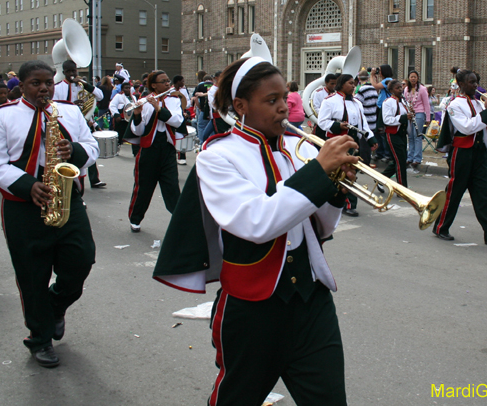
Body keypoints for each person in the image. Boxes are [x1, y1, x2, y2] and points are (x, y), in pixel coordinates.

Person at [152, 56, 357, 406]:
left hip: (312, 302)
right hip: (253, 310)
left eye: (283, 99)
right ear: (241, 106)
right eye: (271, 100)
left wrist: (336, 192)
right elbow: (258, 223)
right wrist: (318, 174)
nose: (282, 109)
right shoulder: (218, 157)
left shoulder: (299, 148)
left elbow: (320, 227)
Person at [0, 60, 99, 368]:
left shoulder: (69, 112)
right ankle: (40, 339)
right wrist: (28, 186)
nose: (44, 88)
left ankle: (55, 306)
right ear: (23, 86)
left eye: (48, 83)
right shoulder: (1, 116)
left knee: (81, 261)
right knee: (32, 277)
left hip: (66, 200)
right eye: (36, 83)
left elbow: (91, 145)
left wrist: (76, 151)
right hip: (23, 206)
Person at [432, 70, 487, 246]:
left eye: (476, 82)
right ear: (460, 84)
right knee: (454, 192)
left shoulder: (479, 103)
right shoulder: (454, 105)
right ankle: (441, 227)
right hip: (462, 153)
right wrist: (486, 113)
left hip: (480, 152)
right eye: (471, 82)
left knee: (483, 194)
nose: (475, 85)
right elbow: (467, 128)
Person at [125, 70, 183, 233]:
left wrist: (158, 108)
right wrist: (137, 113)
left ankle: (179, 220)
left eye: (168, 81)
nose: (167, 84)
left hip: (167, 149)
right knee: (143, 187)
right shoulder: (144, 102)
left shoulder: (173, 100)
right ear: (153, 85)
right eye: (163, 81)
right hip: (148, 150)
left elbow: (177, 121)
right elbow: (137, 131)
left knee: (172, 187)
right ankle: (135, 219)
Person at [318, 74, 377, 217]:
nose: (353, 86)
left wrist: (370, 138)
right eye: (350, 83)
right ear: (341, 84)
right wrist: (338, 125)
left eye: (354, 83)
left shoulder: (357, 102)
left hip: (353, 143)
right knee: (335, 173)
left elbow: (363, 124)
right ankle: (328, 200)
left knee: (350, 173)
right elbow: (322, 122)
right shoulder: (329, 101)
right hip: (336, 143)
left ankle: (349, 204)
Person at [381, 79, 412, 187]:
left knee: (399, 161)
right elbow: (387, 120)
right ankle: (402, 188)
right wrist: (404, 117)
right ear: (391, 90)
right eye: (397, 88)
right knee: (400, 162)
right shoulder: (388, 102)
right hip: (392, 134)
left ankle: (381, 179)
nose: (400, 89)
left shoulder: (404, 101)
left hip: (402, 134)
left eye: (401, 87)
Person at [404, 71, 430, 172]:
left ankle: (417, 158)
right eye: (411, 77)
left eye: (415, 77)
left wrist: (428, 118)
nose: (413, 79)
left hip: (419, 113)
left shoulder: (422, 89)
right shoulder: (406, 89)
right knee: (410, 136)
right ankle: (410, 157)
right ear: (409, 78)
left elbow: (426, 104)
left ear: (418, 78)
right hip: (410, 113)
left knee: (417, 135)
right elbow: (405, 102)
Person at [371, 65, 394, 161]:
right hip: (380, 107)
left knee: (382, 131)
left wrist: (371, 75)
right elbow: (377, 89)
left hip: (384, 108)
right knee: (378, 131)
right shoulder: (384, 81)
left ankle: (386, 154)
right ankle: (380, 152)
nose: (378, 72)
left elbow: (375, 86)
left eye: (379, 71)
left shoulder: (388, 80)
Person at [173, 75, 193, 165]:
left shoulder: (184, 90)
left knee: (181, 135)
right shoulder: (171, 91)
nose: (183, 82)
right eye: (182, 81)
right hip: (173, 115)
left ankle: (181, 155)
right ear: (177, 82)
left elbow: (187, 103)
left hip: (182, 115)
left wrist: (184, 111)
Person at [312, 73, 338, 139]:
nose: (334, 86)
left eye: (335, 84)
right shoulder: (319, 93)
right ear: (326, 83)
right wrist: (324, 115)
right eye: (332, 84)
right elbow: (316, 107)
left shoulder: (337, 94)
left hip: (333, 123)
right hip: (321, 121)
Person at [193, 74, 215, 143]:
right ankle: (212, 142)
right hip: (213, 111)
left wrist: (199, 107)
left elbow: (195, 98)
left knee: (201, 126)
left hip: (203, 110)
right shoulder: (214, 86)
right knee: (212, 127)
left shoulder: (200, 85)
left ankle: (202, 142)